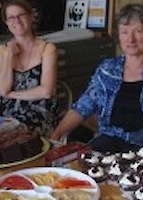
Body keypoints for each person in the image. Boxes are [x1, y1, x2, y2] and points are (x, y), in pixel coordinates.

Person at [51, 4, 143, 153]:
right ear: (118, 36)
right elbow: (84, 105)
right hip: (108, 140)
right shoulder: (108, 70)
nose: (130, 38)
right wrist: (57, 133)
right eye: (125, 32)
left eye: (138, 31)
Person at [0, 0, 59, 137]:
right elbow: (3, 89)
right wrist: (9, 55)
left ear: (31, 16)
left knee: (17, 131)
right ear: (6, 22)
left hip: (39, 112)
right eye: (11, 17)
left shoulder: (47, 49)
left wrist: (12, 95)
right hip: (6, 113)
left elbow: (46, 92)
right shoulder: (0, 52)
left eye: (21, 15)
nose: (16, 20)